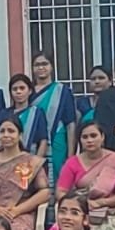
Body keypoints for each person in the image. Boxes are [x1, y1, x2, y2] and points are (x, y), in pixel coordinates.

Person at [56, 121, 115, 230]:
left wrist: (101, 203)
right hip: (80, 209)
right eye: (85, 137)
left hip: (111, 209)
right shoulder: (72, 163)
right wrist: (79, 205)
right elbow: (61, 191)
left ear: (102, 137)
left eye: (93, 136)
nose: (89, 140)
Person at [29, 51, 77, 181]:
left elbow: (70, 124)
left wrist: (71, 155)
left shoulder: (62, 91)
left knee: (57, 178)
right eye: (37, 65)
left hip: (56, 141)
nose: (41, 67)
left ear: (51, 66)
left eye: (45, 64)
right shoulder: (27, 92)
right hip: (32, 142)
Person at [8, 74, 50, 167]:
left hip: (31, 158)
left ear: (30, 91)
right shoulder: (5, 113)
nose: (18, 92)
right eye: (15, 89)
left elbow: (43, 141)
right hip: (8, 160)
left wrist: (35, 163)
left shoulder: (37, 113)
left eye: (22, 88)